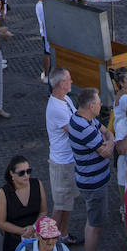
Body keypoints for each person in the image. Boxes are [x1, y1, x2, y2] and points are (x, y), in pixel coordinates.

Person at [67, 88, 115, 251]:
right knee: (94, 225)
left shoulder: (82, 119)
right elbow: (105, 151)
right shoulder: (84, 127)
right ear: (90, 106)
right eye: (98, 102)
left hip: (94, 179)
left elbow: (104, 130)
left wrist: (107, 139)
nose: (101, 105)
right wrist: (111, 141)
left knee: (94, 222)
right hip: (93, 183)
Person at [46, 69, 80, 242]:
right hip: (61, 163)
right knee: (59, 205)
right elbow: (75, 131)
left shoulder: (65, 99)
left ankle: (64, 234)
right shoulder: (57, 108)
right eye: (68, 79)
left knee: (67, 202)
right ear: (61, 84)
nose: (72, 81)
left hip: (68, 160)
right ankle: (45, 241)